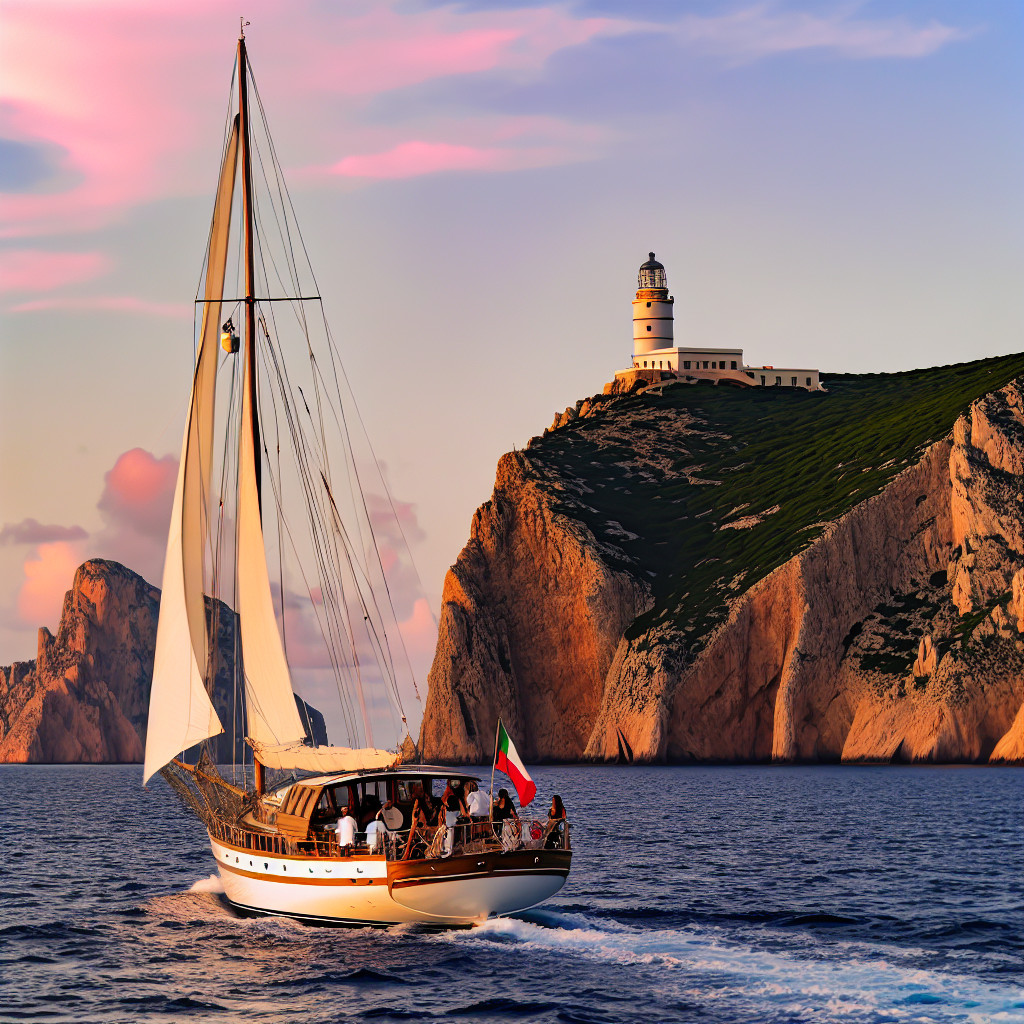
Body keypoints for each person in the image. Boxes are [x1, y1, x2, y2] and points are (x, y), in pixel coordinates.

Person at [441, 779, 469, 858]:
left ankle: (447, 851)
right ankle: (448, 852)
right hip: (452, 822)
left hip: (448, 822)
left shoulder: (446, 802)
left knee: (448, 836)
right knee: (450, 835)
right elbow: (463, 813)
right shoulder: (455, 801)